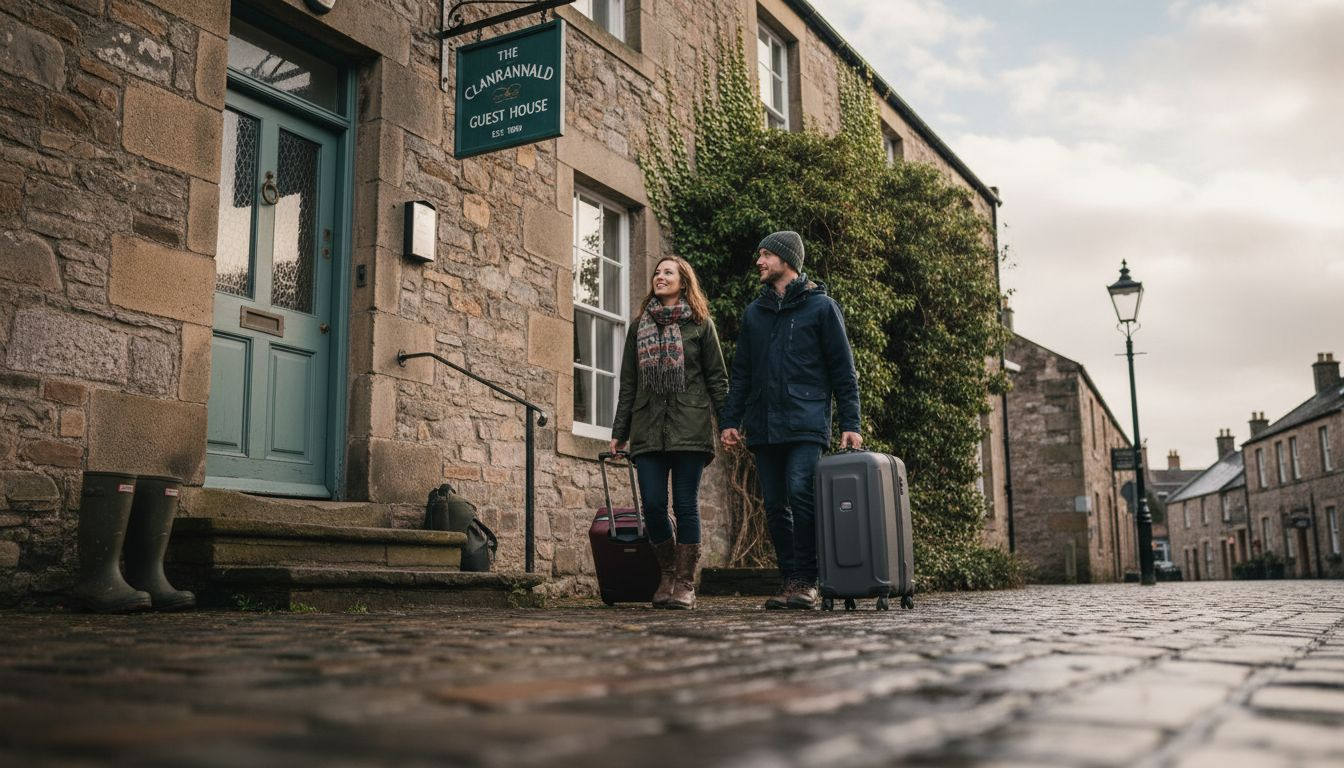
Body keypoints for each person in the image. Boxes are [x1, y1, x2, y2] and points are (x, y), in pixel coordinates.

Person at [719, 231, 861, 610]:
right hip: (764, 424)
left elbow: (843, 372)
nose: (759, 261)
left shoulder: (822, 308)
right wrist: (730, 419)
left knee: (802, 494)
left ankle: (807, 579)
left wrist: (852, 423)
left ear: (787, 260)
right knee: (775, 504)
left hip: (806, 420)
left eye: (766, 254)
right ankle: (790, 581)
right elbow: (743, 373)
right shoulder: (755, 314)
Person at [611, 255, 729, 609]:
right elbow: (628, 384)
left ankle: (684, 583)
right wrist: (621, 431)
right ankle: (666, 572)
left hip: (689, 428)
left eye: (668, 273)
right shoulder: (638, 327)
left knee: (686, 505)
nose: (660, 277)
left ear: (683, 281)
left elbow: (717, 380)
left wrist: (728, 424)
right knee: (652, 505)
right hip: (648, 429)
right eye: (657, 272)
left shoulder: (701, 325)